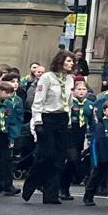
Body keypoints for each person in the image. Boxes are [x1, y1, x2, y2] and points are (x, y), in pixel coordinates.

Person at [22, 51, 76, 205]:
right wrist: (38, 121)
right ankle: (31, 183)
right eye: (68, 61)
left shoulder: (70, 80)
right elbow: (38, 101)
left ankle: (51, 194)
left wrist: (68, 120)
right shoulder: (47, 78)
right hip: (47, 118)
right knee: (46, 155)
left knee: (59, 158)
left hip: (62, 118)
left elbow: (69, 102)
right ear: (60, 61)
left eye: (72, 61)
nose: (71, 64)